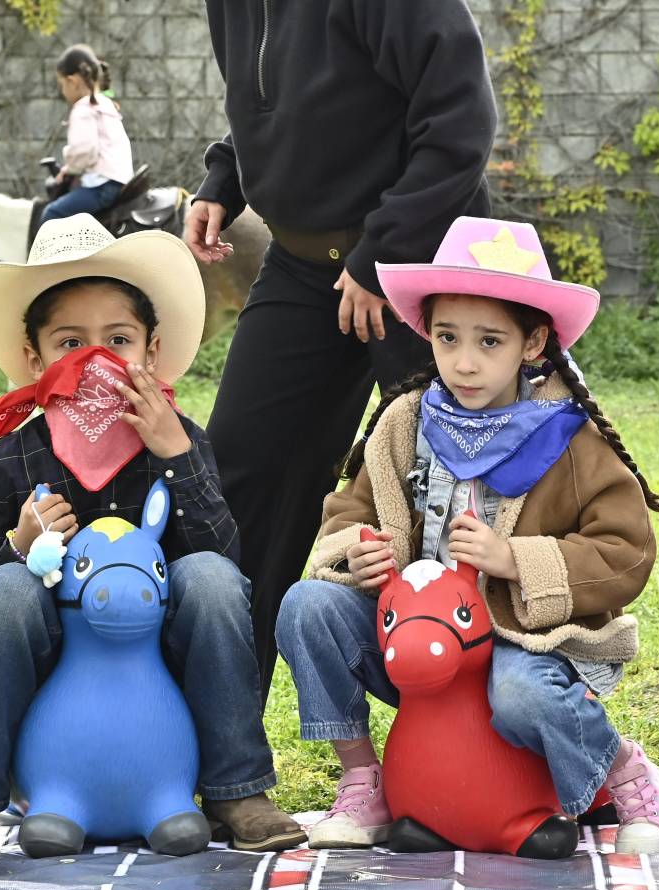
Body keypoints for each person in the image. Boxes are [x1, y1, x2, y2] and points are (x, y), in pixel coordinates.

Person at [0, 216, 302, 857]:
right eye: (70, 342)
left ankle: (235, 789)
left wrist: (175, 456)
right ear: (35, 359)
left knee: (214, 581)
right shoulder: (11, 455)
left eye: (118, 339)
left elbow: (225, 558)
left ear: (151, 351)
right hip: (60, 661)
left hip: (152, 660)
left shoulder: (182, 438)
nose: (95, 358)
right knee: (4, 592)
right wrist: (21, 546)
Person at [275, 216, 659, 853]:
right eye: (447, 337)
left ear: (534, 342)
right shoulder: (405, 422)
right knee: (308, 607)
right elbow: (344, 517)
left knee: (522, 696)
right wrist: (359, 554)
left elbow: (626, 552)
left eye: (490, 342)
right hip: (414, 634)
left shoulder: (567, 439)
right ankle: (361, 780)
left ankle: (625, 773)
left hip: (520, 634)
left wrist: (515, 559)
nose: (464, 362)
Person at [182, 0, 498, 682]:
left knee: (448, 494)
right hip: (303, 267)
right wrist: (226, 177)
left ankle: (478, 731)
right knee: (242, 469)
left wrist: (385, 250)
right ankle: (224, 734)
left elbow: (462, 122)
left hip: (426, 260)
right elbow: (292, 105)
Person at [41, 44, 133, 227]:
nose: (62, 91)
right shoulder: (105, 103)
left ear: (72, 82)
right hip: (118, 181)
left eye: (62, 85)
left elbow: (85, 150)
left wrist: (68, 168)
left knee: (52, 213)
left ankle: (60, 256)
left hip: (102, 185)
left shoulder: (83, 108)